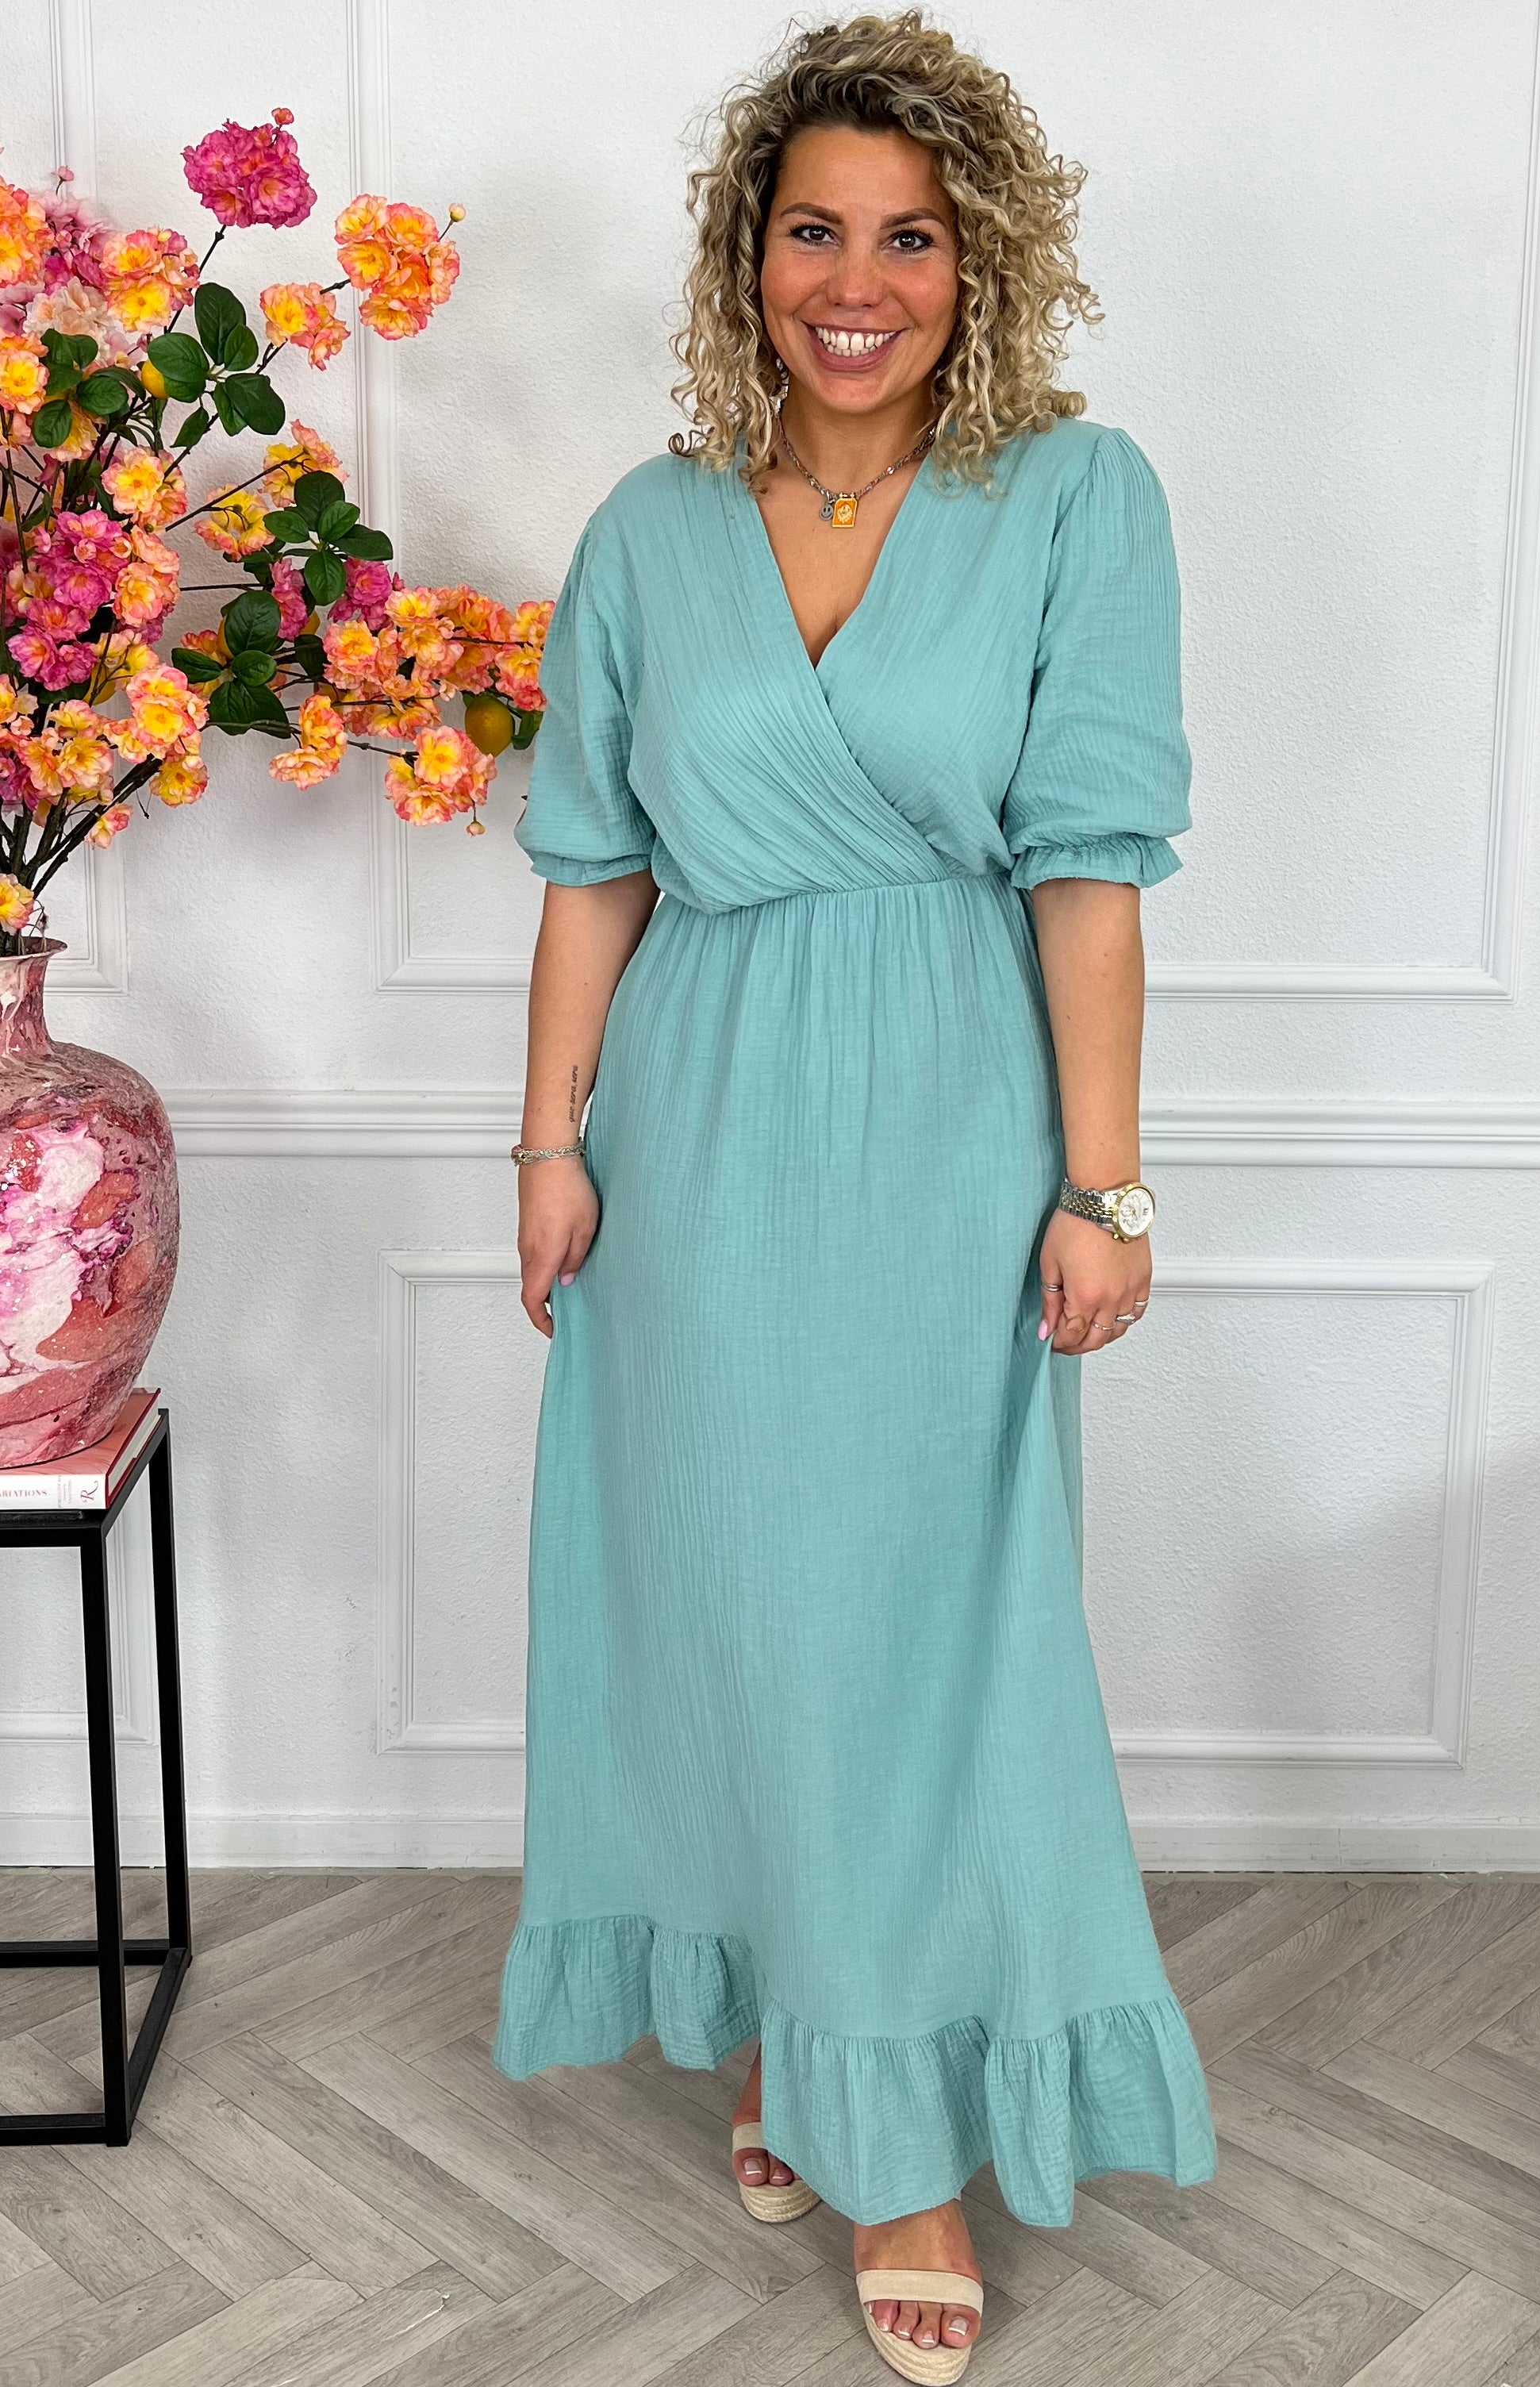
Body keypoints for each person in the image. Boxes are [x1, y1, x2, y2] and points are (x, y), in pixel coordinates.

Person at [491, 12, 1216, 2378]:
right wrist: (549, 1148)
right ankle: (793, 2027)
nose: (858, 283)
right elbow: (591, 874)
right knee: (725, 1598)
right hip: (693, 1127)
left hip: (949, 1124)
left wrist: (1106, 1186)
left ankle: (899, 2133)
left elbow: (1090, 877)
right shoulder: (649, 527)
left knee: (918, 1620)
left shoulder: (1076, 498)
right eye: (816, 230)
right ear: (748, 254)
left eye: (911, 238)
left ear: (979, 264)